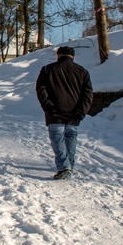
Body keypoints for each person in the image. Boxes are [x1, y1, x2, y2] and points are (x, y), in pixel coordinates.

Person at [35, 46, 94, 180]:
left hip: (54, 112)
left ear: (58, 56)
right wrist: (81, 111)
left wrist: (48, 107)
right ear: (73, 57)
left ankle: (64, 167)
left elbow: (41, 90)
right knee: (71, 137)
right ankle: (69, 165)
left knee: (57, 138)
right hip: (74, 113)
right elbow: (88, 94)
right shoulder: (82, 71)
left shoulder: (47, 70)